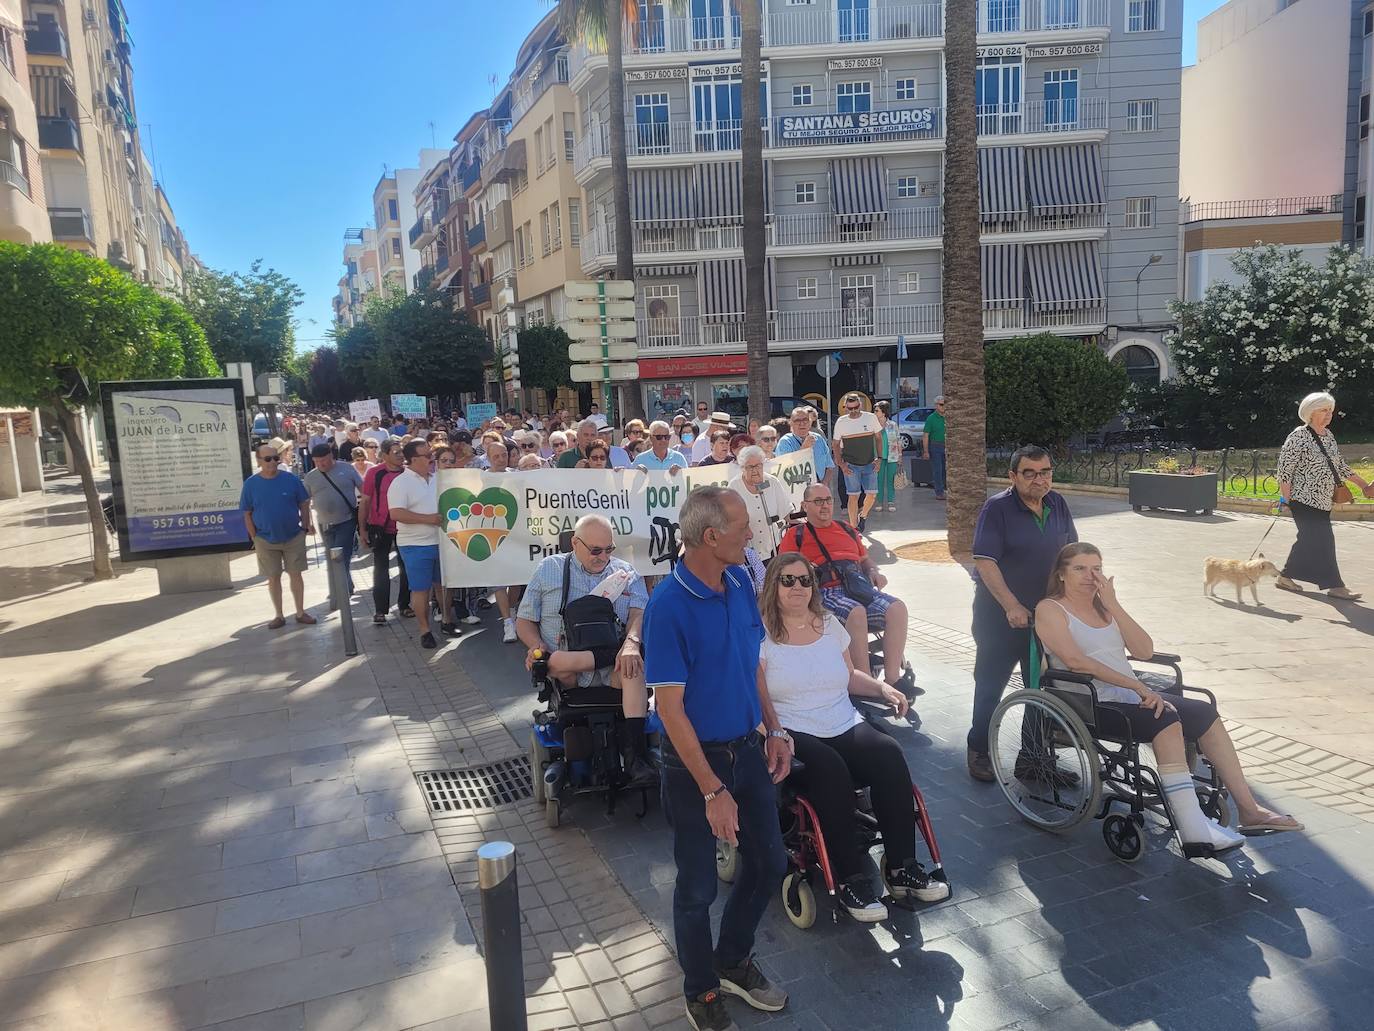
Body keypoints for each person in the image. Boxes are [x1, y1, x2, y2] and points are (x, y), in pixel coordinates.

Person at [644, 487, 790, 1030]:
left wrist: (775, 729)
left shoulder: (738, 580)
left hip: (748, 751)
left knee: (771, 862)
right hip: (693, 768)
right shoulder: (667, 607)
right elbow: (672, 711)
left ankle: (731, 960)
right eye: (741, 527)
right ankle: (701, 989)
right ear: (711, 536)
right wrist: (711, 789)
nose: (750, 533)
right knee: (698, 886)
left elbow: (753, 665)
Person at [1037, 543, 1299, 844]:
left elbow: (1143, 650)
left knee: (1204, 712)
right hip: (1090, 700)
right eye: (1079, 568)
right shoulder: (1050, 609)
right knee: (1165, 718)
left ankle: (1249, 810)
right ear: (1061, 574)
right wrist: (1135, 685)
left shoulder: (1104, 607)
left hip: (1129, 693)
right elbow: (1075, 661)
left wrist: (1114, 606)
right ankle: (1192, 828)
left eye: (1096, 568)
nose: (1090, 575)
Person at [759, 554, 947, 920]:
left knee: (889, 754)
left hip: (841, 718)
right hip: (793, 728)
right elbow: (756, 695)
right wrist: (773, 732)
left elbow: (849, 675)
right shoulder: (760, 633)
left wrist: (882, 688)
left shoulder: (829, 623)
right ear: (772, 586)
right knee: (831, 771)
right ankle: (849, 881)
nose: (798, 587)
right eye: (788, 580)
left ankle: (901, 867)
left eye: (804, 580)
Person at [967, 445, 1078, 783]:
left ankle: (1031, 760)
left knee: (1041, 688)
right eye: (1029, 473)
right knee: (990, 685)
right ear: (1013, 476)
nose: (1038, 479)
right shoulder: (997, 508)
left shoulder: (1057, 503)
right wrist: (1011, 605)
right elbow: (986, 561)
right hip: (999, 617)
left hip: (1045, 618)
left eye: (1044, 472)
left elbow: (1071, 555)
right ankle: (979, 749)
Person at [517, 514, 655, 786]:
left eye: (609, 549)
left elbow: (639, 612)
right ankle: (607, 655)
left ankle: (636, 757)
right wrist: (535, 644)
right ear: (574, 543)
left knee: (633, 663)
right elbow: (524, 620)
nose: (602, 556)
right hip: (567, 672)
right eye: (595, 550)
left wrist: (631, 643)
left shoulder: (625, 573)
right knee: (552, 660)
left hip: (614, 669)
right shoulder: (549, 569)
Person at [778, 483, 915, 696]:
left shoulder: (846, 529)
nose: (825, 505)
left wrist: (873, 572)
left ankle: (893, 679)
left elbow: (865, 560)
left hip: (857, 587)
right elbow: (784, 570)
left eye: (828, 500)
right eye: (818, 501)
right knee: (856, 611)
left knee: (897, 608)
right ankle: (866, 684)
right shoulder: (796, 535)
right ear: (805, 505)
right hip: (824, 592)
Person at [1276, 391, 1371, 601]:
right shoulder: (1298, 437)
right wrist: (1285, 500)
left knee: (1308, 539)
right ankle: (1335, 586)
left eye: (1330, 410)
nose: (1328, 414)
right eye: (1323, 410)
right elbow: (1284, 472)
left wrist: (1364, 485)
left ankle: (1284, 576)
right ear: (1310, 412)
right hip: (1302, 499)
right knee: (1324, 540)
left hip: (1323, 500)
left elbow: (1340, 467)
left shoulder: (1328, 437)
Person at [240, 442, 316, 629]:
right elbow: (247, 512)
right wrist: (254, 536)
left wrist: (305, 526)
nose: (273, 462)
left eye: (275, 458)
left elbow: (304, 502)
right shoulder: (251, 484)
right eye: (268, 459)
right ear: (258, 461)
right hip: (265, 539)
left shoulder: (290, 480)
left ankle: (300, 612)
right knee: (273, 577)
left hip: (293, 536)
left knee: (295, 574)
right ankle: (279, 615)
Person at [387, 440, 446, 650]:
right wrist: (428, 519)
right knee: (421, 590)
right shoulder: (400, 483)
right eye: (426, 455)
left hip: (442, 542)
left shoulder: (437, 478)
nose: (431, 458)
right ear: (412, 459)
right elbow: (396, 513)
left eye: (431, 453)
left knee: (443, 585)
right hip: (415, 545)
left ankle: (447, 620)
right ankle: (425, 630)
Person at [360, 439, 412, 624]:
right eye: (396, 452)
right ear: (385, 455)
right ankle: (380, 610)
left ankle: (405, 605)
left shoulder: (409, 472)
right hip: (379, 527)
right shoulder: (375, 473)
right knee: (381, 569)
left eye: (401, 452)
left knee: (406, 569)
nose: (400, 455)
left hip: (404, 527)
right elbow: (365, 501)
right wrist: (363, 529)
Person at [304, 443, 365, 595]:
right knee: (332, 556)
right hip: (324, 523)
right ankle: (343, 585)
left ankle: (341, 589)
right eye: (316, 462)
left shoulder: (347, 469)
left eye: (323, 460)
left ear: (331, 456)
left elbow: (364, 490)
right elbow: (305, 502)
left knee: (341, 555)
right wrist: (308, 523)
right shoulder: (311, 476)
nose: (320, 464)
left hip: (346, 520)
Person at [730, 446, 791, 561]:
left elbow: (786, 513)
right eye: (750, 467)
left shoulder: (772, 482)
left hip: (773, 549)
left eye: (758, 465)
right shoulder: (734, 487)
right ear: (742, 468)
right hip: (746, 553)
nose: (755, 470)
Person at [832, 393, 882, 532]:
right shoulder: (841, 422)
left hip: (870, 463)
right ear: (846, 408)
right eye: (850, 408)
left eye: (856, 407)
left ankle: (863, 515)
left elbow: (878, 438)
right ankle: (854, 528)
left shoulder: (871, 418)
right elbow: (835, 444)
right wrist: (841, 464)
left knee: (872, 495)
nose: (853, 411)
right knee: (853, 496)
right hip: (851, 464)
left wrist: (880, 458)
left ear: (860, 405)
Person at [776, 407, 835, 491]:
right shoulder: (785, 442)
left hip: (819, 487)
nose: (802, 423)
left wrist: (824, 484)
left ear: (810, 422)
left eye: (805, 420)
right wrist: (804, 448)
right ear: (791, 423)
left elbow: (829, 466)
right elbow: (785, 470)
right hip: (797, 491)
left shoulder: (818, 438)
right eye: (797, 421)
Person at [875, 401, 902, 514]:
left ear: (884, 412)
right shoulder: (873, 425)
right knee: (878, 480)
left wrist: (900, 455)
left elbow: (898, 440)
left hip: (892, 456)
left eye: (877, 410)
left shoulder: (893, 425)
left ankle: (891, 501)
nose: (875, 412)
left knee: (890, 480)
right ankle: (879, 502)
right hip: (878, 457)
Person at [922, 396, 947, 501]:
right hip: (936, 446)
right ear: (936, 406)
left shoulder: (948, 417)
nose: (944, 407)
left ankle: (946, 489)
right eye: (941, 404)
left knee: (946, 470)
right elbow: (926, 435)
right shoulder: (931, 418)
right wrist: (926, 451)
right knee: (938, 470)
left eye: (945, 404)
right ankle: (939, 492)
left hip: (947, 446)